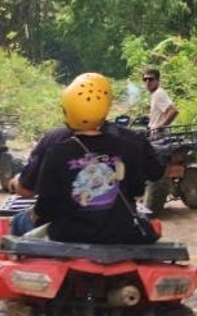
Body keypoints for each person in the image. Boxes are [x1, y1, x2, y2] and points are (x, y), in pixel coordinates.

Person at [11, 73, 165, 244]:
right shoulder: (130, 145)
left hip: (68, 235)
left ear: (67, 109)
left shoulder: (57, 151)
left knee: (19, 222)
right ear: (106, 107)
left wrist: (35, 215)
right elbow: (138, 190)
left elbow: (46, 206)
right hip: (121, 233)